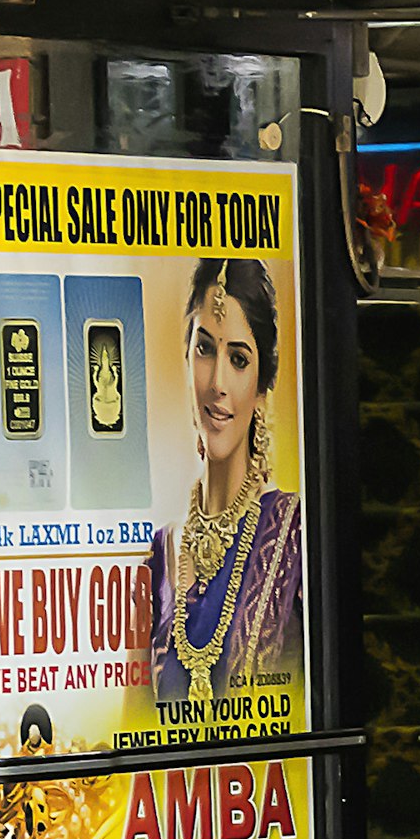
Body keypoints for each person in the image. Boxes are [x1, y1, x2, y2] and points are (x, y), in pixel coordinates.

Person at [142, 257, 306, 718]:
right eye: (205, 350)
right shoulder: (165, 548)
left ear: (262, 385)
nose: (217, 384)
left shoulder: (293, 534)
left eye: (238, 359)